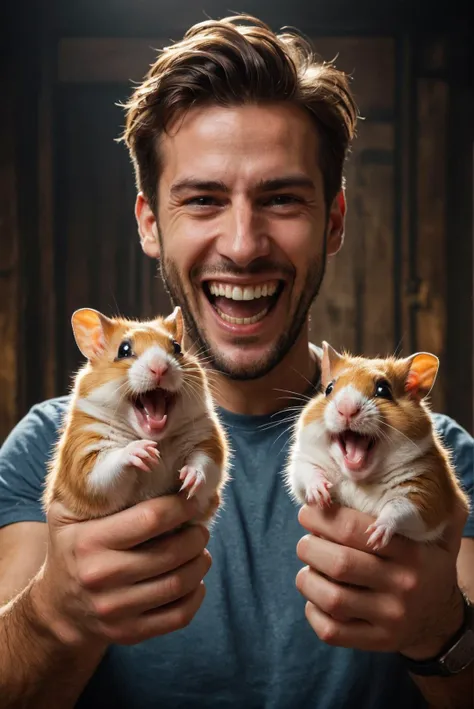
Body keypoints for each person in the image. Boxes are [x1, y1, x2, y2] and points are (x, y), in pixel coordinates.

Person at [0, 14, 473, 709]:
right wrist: (54, 616)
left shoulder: (437, 452)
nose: (244, 244)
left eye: (281, 198)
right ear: (149, 222)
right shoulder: (50, 442)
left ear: (334, 220)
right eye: (202, 200)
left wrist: (444, 633)